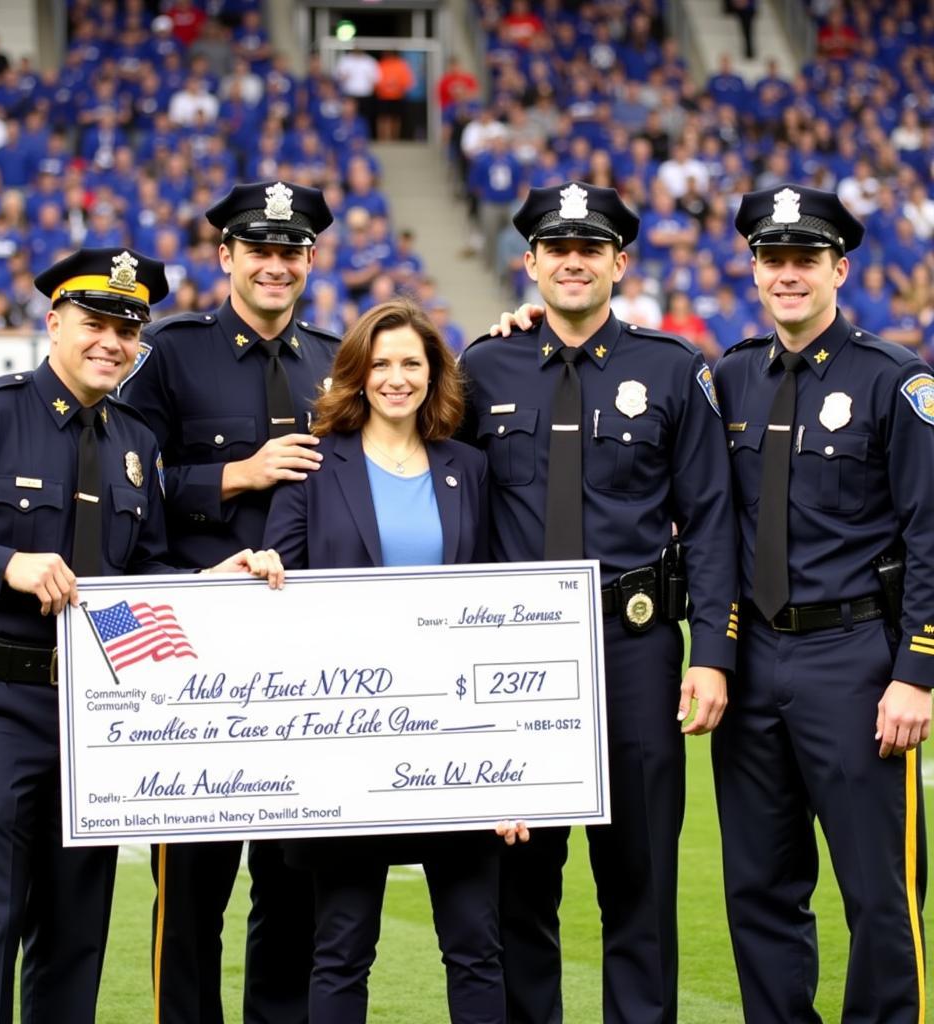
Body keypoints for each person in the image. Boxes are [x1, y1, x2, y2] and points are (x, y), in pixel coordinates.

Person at [0, 247, 283, 1024]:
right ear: (54, 322)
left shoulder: (134, 446)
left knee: (76, 939)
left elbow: (132, 581)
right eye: (95, 323)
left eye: (128, 329)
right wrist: (1, 564)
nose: (112, 341)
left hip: (97, 721)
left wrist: (201, 590)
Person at [458, 182, 739, 1023]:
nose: (573, 260)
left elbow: (714, 519)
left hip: (635, 648)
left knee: (641, 881)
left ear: (619, 262)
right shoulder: (481, 366)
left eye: (592, 247)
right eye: (556, 247)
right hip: (513, 659)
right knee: (519, 885)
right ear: (532, 262)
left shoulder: (675, 367)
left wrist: (714, 654)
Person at [263, 298, 528, 1024]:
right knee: (343, 947)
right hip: (352, 745)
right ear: (356, 373)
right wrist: (257, 571)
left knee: (476, 944)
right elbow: (275, 588)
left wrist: (515, 762)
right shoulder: (315, 465)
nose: (396, 377)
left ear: (434, 373)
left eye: (412, 362)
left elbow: (499, 612)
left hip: (454, 743)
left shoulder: (469, 468)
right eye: (381, 363)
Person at [711, 183, 932, 1023]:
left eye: (806, 259)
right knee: (759, 890)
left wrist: (917, 670)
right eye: (774, 260)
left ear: (839, 268)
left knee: (881, 892)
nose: (789, 274)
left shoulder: (896, 381)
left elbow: (931, 535)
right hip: (753, 659)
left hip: (856, 661)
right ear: (755, 272)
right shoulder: (729, 378)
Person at [122, 180, 339, 1024]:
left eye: (291, 250)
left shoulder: (336, 358)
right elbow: (122, 482)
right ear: (227, 257)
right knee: (191, 893)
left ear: (310, 260)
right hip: (199, 650)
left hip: (306, 651)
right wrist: (233, 477)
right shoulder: (171, 353)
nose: (276, 264)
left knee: (294, 891)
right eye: (259, 249)